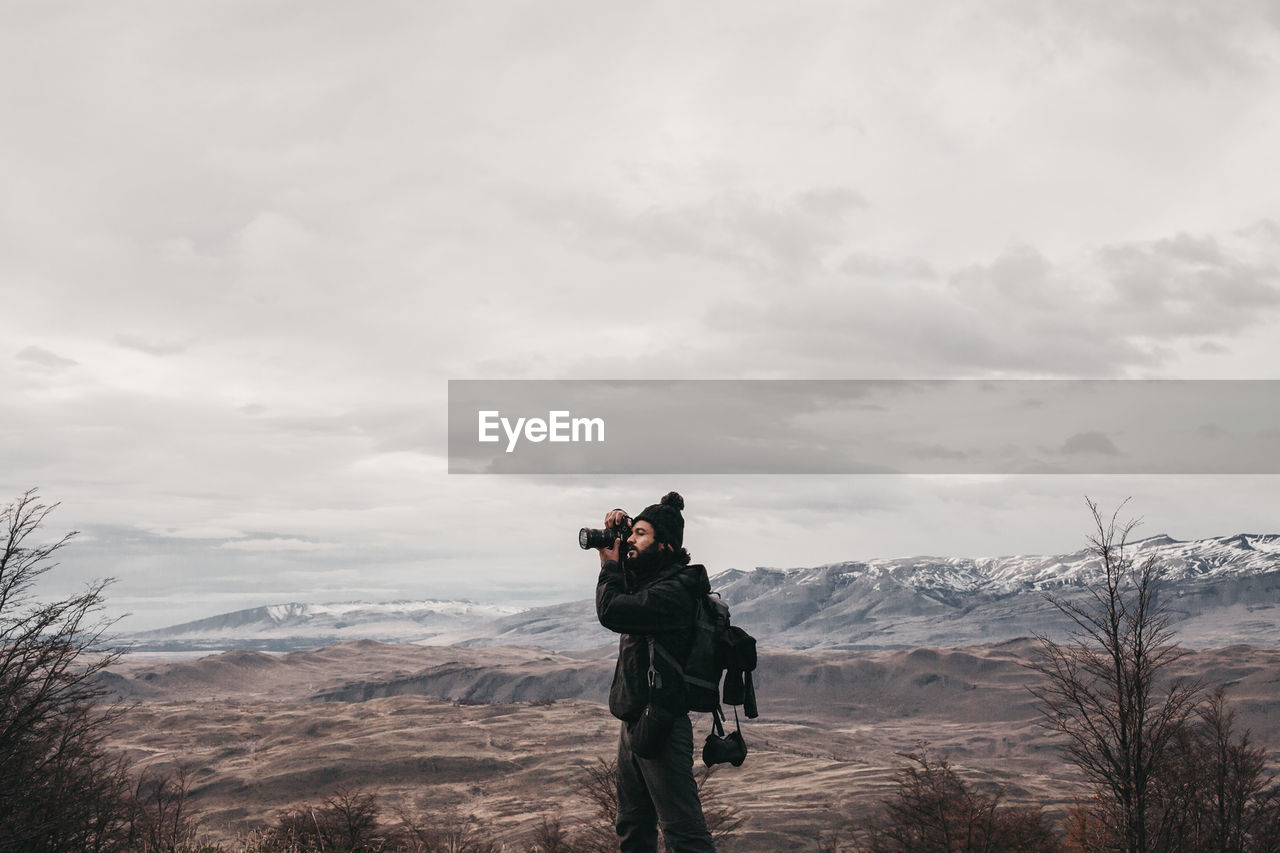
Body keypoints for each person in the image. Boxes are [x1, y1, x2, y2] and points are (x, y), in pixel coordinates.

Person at [594, 491, 716, 853]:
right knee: (632, 827)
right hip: (634, 719)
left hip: (661, 722)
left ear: (664, 545)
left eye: (641, 534)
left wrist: (608, 566)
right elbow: (629, 579)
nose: (630, 540)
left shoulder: (676, 591)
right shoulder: (651, 582)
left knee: (684, 834)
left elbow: (612, 610)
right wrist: (620, 527)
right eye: (632, 532)